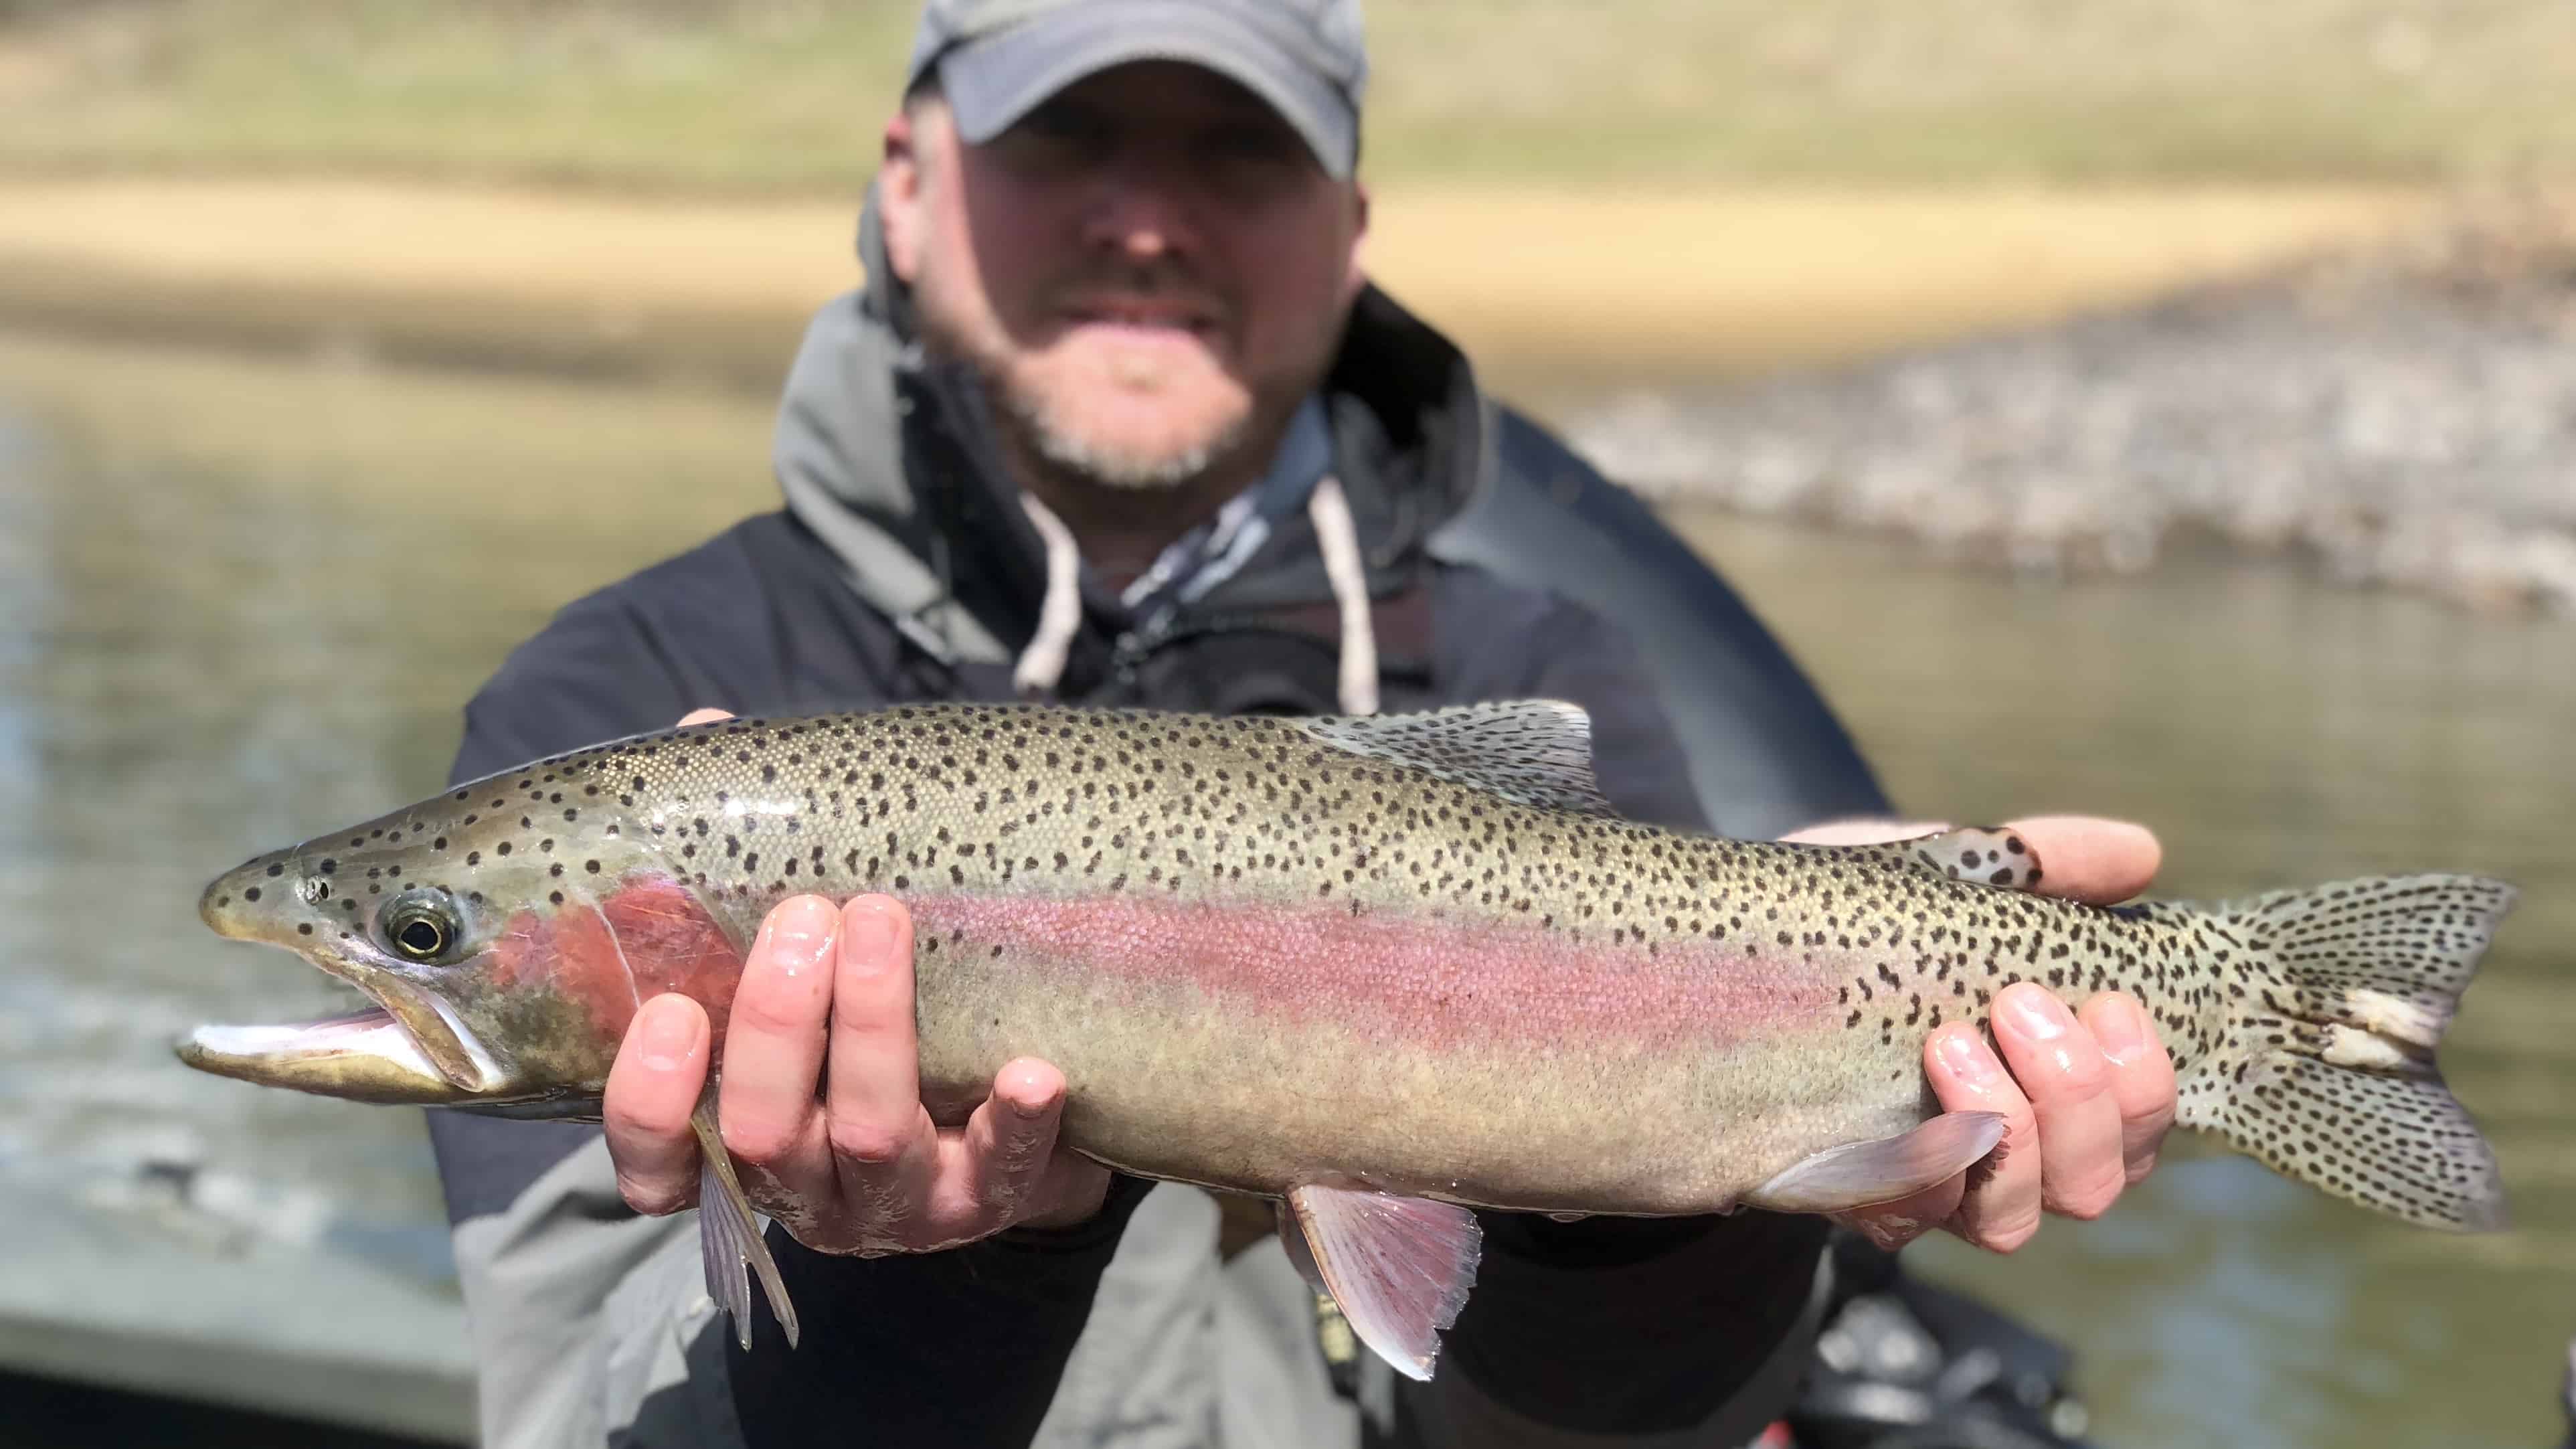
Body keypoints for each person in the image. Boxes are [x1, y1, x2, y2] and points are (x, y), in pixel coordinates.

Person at [425, 2, 2178, 1444]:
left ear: (1349, 227)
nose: (1144, 219)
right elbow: (577, 1415)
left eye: (1234, 150)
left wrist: (1744, 1094)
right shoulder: (623, 721)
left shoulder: (1541, 661)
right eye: (1068, 138)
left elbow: (1582, 1437)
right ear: (903, 185)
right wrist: (934, 1266)